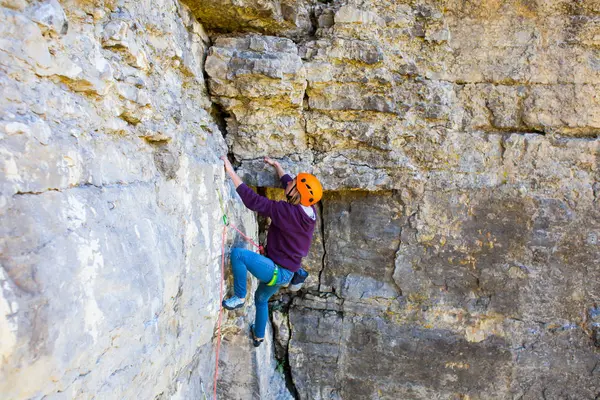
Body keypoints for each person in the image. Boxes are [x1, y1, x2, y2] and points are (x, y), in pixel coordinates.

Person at [220, 155, 322, 346]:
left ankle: (240, 296)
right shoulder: (310, 212)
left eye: (293, 182)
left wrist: (231, 173)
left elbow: (254, 202)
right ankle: (259, 336)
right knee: (261, 298)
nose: (289, 182)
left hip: (277, 270)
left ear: (297, 193)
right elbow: (291, 187)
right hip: (287, 272)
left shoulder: (287, 212)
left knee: (238, 255)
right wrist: (278, 168)